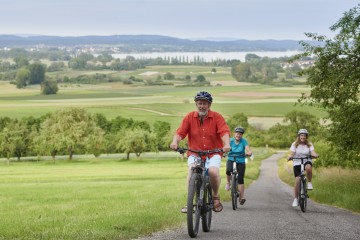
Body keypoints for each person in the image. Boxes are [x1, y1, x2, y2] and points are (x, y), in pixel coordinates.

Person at [170, 91, 230, 213]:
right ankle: (190, 202)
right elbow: (180, 132)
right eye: (199, 103)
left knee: (213, 171)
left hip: (213, 152)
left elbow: (224, 132)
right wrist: (175, 142)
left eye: (204, 104)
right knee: (192, 170)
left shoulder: (217, 117)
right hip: (195, 152)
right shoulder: (189, 117)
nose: (202, 106)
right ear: (196, 104)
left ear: (209, 105)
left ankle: (215, 197)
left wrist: (227, 144)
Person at [288, 129, 319, 207]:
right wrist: (290, 157)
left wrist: (315, 155)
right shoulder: (295, 144)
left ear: (306, 137)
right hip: (297, 162)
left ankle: (309, 183)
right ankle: (295, 199)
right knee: (297, 180)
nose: (303, 137)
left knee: (308, 168)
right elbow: (292, 153)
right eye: (301, 135)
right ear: (299, 136)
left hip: (306, 160)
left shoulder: (309, 144)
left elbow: (312, 152)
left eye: (304, 135)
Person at [225, 127, 252, 205]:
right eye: (237, 133)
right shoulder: (230, 140)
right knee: (228, 170)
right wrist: (223, 152)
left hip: (241, 160)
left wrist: (249, 152)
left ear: (242, 135)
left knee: (240, 179)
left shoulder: (244, 141)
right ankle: (228, 183)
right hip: (231, 158)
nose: (238, 135)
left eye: (240, 134)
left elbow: (248, 149)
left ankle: (241, 197)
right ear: (234, 134)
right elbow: (225, 148)